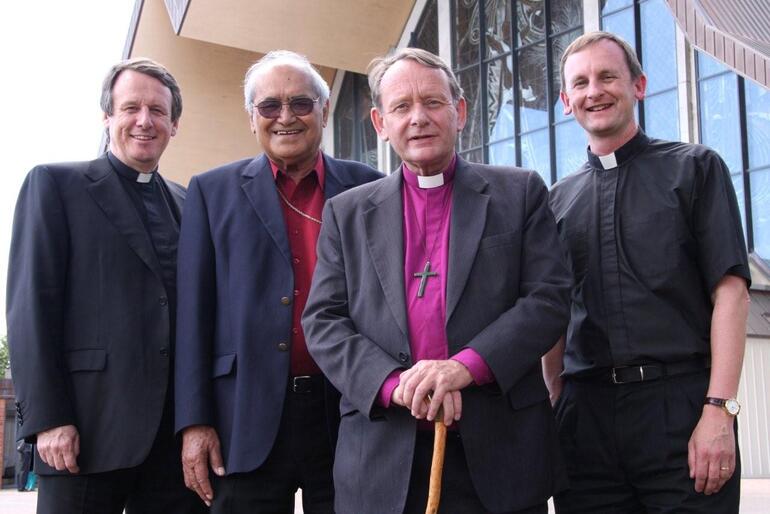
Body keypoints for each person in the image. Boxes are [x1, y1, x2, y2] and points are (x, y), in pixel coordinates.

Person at [302, 47, 572, 514]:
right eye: (401, 106)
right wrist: (393, 384)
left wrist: (466, 366)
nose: (418, 118)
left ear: (460, 112)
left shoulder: (519, 192)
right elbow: (323, 322)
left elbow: (547, 298)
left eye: (433, 102)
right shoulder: (347, 214)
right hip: (382, 458)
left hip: (497, 453)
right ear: (380, 123)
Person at [545, 31, 751, 514]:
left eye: (607, 76)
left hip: (682, 412)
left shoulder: (696, 169)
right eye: (580, 83)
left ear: (638, 85)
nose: (594, 91)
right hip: (586, 421)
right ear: (566, 101)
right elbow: (551, 312)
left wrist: (719, 410)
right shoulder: (555, 201)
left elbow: (732, 294)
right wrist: (554, 399)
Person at [174, 50, 382, 513]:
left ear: (324, 111)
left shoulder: (369, 187)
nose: (285, 117)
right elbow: (193, 316)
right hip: (242, 417)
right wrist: (194, 423)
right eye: (269, 105)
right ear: (252, 118)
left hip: (349, 411)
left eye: (301, 103)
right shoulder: (211, 192)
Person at [7, 58, 203, 514]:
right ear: (107, 116)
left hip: (171, 445)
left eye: (157, 111)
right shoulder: (55, 185)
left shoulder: (189, 203)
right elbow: (30, 309)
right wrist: (48, 419)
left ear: (174, 125)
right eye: (131, 107)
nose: (144, 120)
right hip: (83, 434)